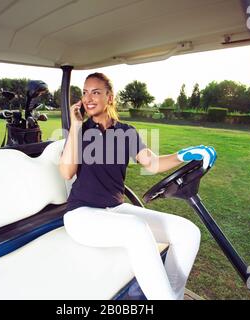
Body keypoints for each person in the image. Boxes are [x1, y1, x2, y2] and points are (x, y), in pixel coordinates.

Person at [59, 72, 216, 300]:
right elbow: (66, 172)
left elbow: (151, 163)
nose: (88, 98)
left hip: (115, 209)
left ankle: (171, 295)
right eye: (84, 93)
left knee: (188, 233)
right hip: (81, 215)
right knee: (136, 228)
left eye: (95, 92)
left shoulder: (126, 132)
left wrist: (184, 155)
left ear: (110, 97)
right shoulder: (80, 132)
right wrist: (75, 125)